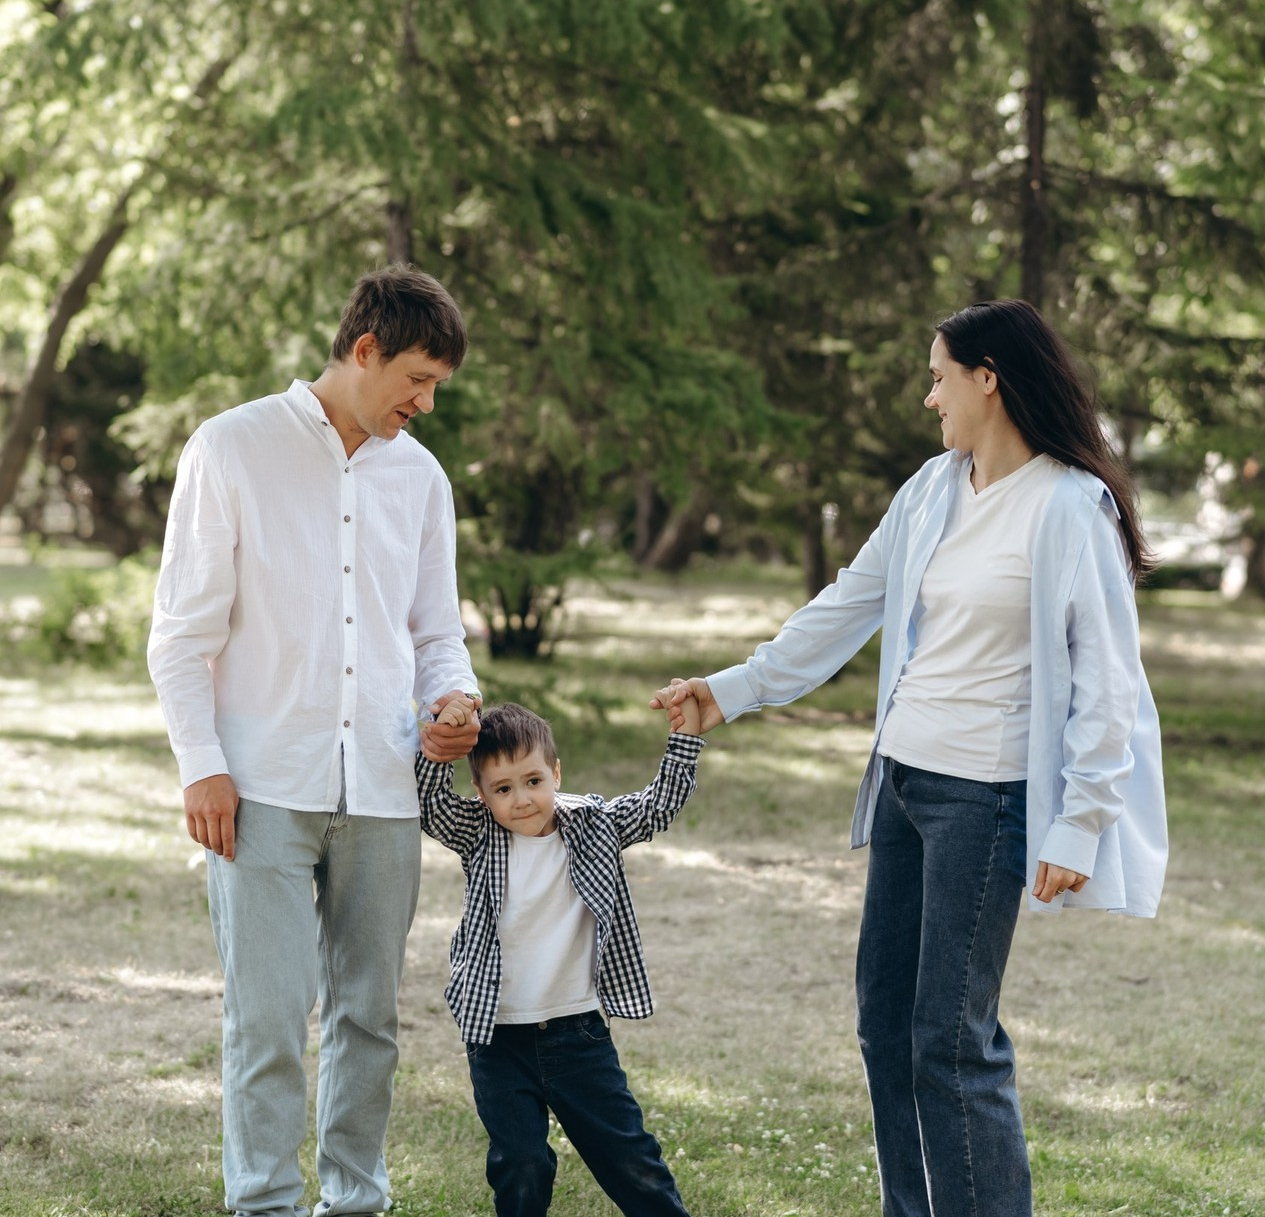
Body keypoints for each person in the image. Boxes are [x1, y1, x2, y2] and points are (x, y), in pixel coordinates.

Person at [653, 299, 1168, 1217]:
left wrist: (1079, 821)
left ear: (988, 378)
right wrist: (732, 688)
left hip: (989, 799)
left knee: (952, 1041)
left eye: (938, 376)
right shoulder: (933, 489)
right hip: (901, 782)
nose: (928, 396)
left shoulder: (1066, 505)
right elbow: (850, 603)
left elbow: (1110, 681)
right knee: (886, 1027)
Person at [147, 264, 484, 1217]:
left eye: (437, 387)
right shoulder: (231, 448)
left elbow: (434, 630)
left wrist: (453, 698)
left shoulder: (419, 476)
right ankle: (263, 1203)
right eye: (417, 379)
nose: (426, 403)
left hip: (384, 782)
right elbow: (180, 634)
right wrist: (201, 766)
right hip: (258, 784)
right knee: (265, 1022)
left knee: (368, 1019)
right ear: (364, 349)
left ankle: (355, 1201)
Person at [416, 699, 704, 1217]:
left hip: (578, 1034)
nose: (522, 800)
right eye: (502, 789)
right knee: (521, 1163)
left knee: (630, 1158)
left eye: (532, 781)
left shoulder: (594, 827)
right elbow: (432, 805)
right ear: (480, 794)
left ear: (555, 772)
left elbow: (658, 804)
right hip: (499, 1039)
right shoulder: (479, 834)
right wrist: (443, 735)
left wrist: (685, 739)